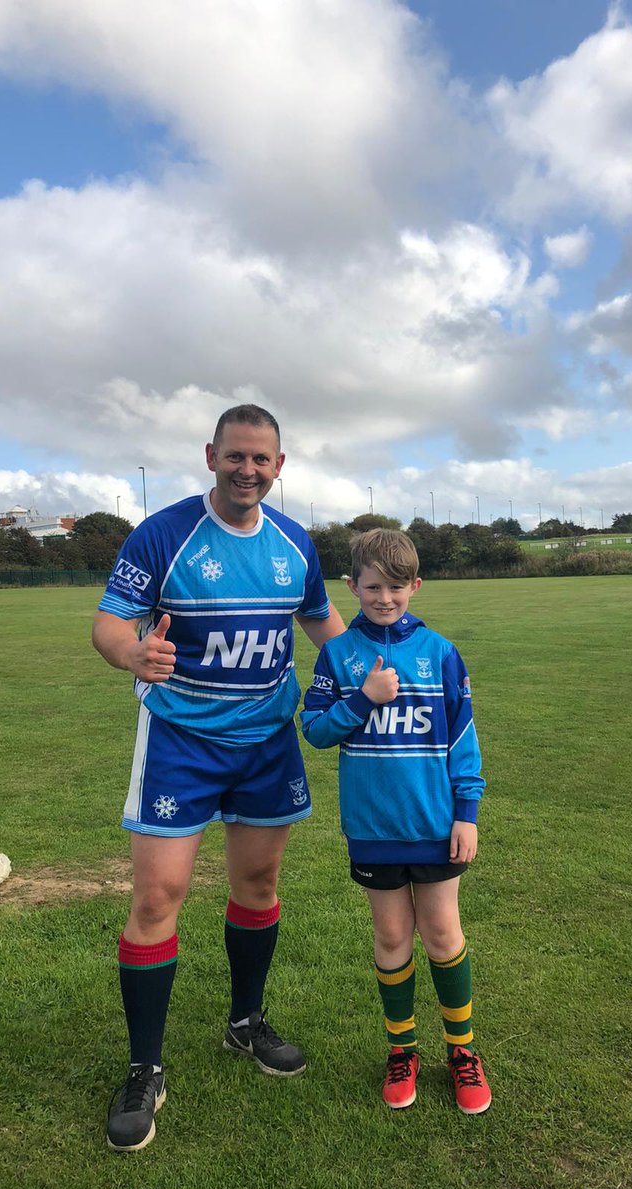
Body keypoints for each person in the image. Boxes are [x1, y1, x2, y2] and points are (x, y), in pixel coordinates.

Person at [93, 404, 345, 1151]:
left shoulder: (294, 543)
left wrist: (380, 666)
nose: (247, 470)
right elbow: (109, 622)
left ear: (279, 465)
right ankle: (144, 1067)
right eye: (235, 456)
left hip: (266, 740)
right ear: (211, 456)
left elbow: (323, 625)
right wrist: (131, 655)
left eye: (261, 459)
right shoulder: (164, 534)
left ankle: (245, 1022)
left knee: (259, 888)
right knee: (158, 896)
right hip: (180, 739)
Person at [300, 529, 491, 1114]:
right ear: (351, 585)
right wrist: (363, 698)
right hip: (373, 828)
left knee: (442, 935)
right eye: (373, 586)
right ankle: (402, 1049)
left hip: (435, 825)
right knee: (391, 937)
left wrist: (467, 814)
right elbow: (315, 730)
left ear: (416, 585)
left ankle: (462, 1052)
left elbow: (463, 739)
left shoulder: (439, 652)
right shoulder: (338, 654)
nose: (385, 598)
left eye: (397, 587)